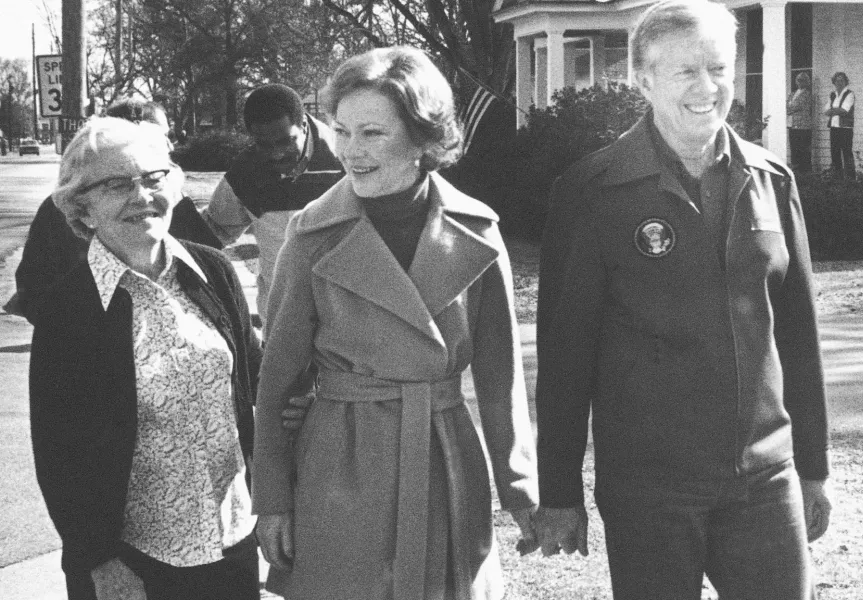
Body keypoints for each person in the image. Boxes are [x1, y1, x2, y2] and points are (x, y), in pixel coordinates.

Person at [533, 1, 832, 598]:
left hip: (763, 480)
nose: (709, 88)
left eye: (718, 69)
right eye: (686, 72)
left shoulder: (772, 182)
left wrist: (814, 468)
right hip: (648, 491)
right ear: (643, 80)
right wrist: (560, 492)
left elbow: (799, 337)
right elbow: (566, 357)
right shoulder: (591, 192)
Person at [251, 46, 539, 600]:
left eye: (372, 133)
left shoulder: (478, 230)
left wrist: (519, 487)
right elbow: (277, 380)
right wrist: (273, 498)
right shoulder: (312, 234)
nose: (350, 152)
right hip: (340, 462)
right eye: (342, 130)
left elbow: (500, 379)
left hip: (442, 452)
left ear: (422, 139)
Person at [29, 117, 262, 600]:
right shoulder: (69, 308)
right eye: (116, 185)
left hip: (231, 540)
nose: (142, 196)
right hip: (132, 561)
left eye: (153, 178)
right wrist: (97, 559)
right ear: (83, 208)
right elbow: (58, 451)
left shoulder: (214, 271)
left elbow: (255, 385)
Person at [11, 99, 222, 325]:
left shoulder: (167, 197)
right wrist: (74, 327)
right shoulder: (63, 207)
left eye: (168, 137)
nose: (169, 147)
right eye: (117, 184)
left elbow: (208, 266)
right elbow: (33, 287)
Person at [202, 83, 342, 330]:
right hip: (282, 324)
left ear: (304, 126)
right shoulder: (246, 172)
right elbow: (210, 234)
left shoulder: (346, 158)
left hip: (347, 324)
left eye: (286, 141)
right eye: (264, 145)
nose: (277, 154)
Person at [824, 71, 856, 179]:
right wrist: (835, 110)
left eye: (842, 80)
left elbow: (844, 110)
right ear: (834, 82)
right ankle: (838, 179)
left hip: (845, 129)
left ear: (846, 82)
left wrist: (832, 110)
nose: (839, 82)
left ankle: (851, 180)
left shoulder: (849, 94)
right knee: (835, 154)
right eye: (837, 80)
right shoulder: (832, 94)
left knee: (847, 154)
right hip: (834, 128)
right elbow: (826, 111)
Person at [787, 71, 813, 173]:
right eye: (798, 80)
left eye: (803, 80)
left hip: (804, 127)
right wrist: (790, 107)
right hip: (793, 125)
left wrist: (790, 107)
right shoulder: (792, 94)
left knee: (804, 152)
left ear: (807, 82)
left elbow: (798, 106)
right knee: (794, 150)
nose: (800, 82)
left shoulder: (807, 94)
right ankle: (796, 174)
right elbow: (787, 107)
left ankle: (805, 174)